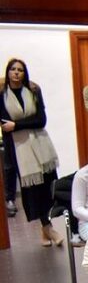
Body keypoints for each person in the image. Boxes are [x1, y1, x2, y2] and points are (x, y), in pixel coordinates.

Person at [1, 58, 62, 245]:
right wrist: (19, 126)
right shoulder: (2, 95)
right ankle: (48, 228)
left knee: (47, 187)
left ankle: (46, 230)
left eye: (20, 69)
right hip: (19, 149)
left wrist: (17, 124)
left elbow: (41, 120)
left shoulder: (33, 91)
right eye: (13, 69)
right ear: (8, 72)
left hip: (41, 145)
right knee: (33, 191)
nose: (17, 73)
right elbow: (4, 126)